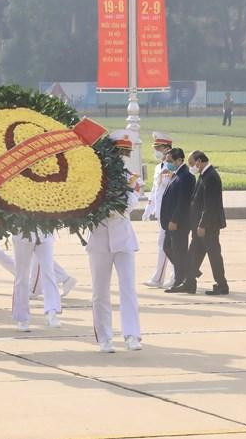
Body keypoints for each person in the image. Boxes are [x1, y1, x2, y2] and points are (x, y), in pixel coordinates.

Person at [86, 130, 142, 353]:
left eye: (124, 153)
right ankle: (104, 337)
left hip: (123, 239)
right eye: (118, 152)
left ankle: (132, 335)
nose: (121, 157)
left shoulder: (132, 178)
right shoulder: (95, 177)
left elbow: (128, 205)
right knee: (100, 291)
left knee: (127, 288)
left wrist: (114, 203)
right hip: (99, 238)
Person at [185, 151, 229, 295]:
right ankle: (189, 282)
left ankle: (222, 285)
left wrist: (202, 224)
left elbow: (210, 205)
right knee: (194, 253)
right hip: (200, 225)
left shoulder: (211, 177)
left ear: (199, 161)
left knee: (214, 254)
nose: (191, 167)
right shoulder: (204, 175)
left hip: (208, 225)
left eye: (191, 163)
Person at [142, 132, 175, 288]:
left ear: (167, 149)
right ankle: (171, 276)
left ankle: (161, 278)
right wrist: (149, 208)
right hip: (160, 211)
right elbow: (155, 190)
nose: (155, 151)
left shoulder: (173, 167)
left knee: (166, 244)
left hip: (169, 212)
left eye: (158, 148)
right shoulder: (158, 167)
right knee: (166, 244)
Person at [12, 230, 61, 331]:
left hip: (44, 231)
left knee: (48, 270)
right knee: (22, 275)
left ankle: (52, 311)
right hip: (22, 233)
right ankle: (22, 317)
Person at [161, 148, 196, 293]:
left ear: (179, 160)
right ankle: (188, 272)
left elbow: (183, 201)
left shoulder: (186, 176)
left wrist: (175, 219)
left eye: (170, 161)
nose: (168, 164)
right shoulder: (177, 174)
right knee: (169, 248)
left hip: (179, 223)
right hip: (171, 222)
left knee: (178, 250)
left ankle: (181, 279)